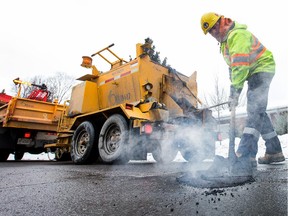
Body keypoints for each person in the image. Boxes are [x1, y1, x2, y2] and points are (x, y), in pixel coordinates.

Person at [200, 12, 285, 176]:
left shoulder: (237, 35)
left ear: (222, 22)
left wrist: (235, 90)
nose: (213, 34)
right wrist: (234, 87)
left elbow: (240, 65)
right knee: (258, 110)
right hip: (252, 72)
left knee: (254, 109)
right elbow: (233, 67)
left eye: (214, 28)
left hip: (262, 69)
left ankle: (245, 153)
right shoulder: (225, 43)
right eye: (210, 32)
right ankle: (274, 151)